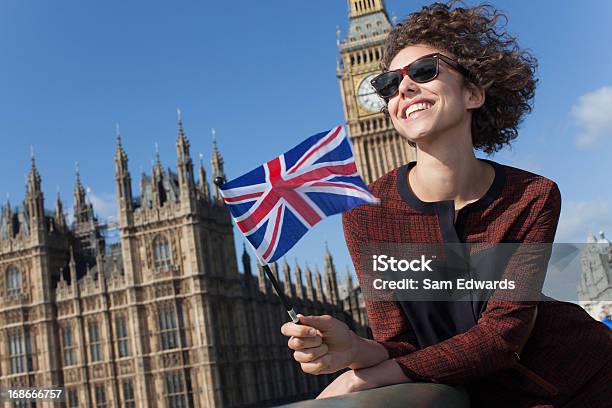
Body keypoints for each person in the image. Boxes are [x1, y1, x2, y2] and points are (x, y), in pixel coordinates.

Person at [280, 2, 612, 407]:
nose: (403, 87)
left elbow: (501, 336)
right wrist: (355, 350)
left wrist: (362, 379)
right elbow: (403, 344)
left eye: (424, 72)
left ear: (472, 93)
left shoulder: (532, 196)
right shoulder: (366, 213)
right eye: (387, 83)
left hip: (588, 381)